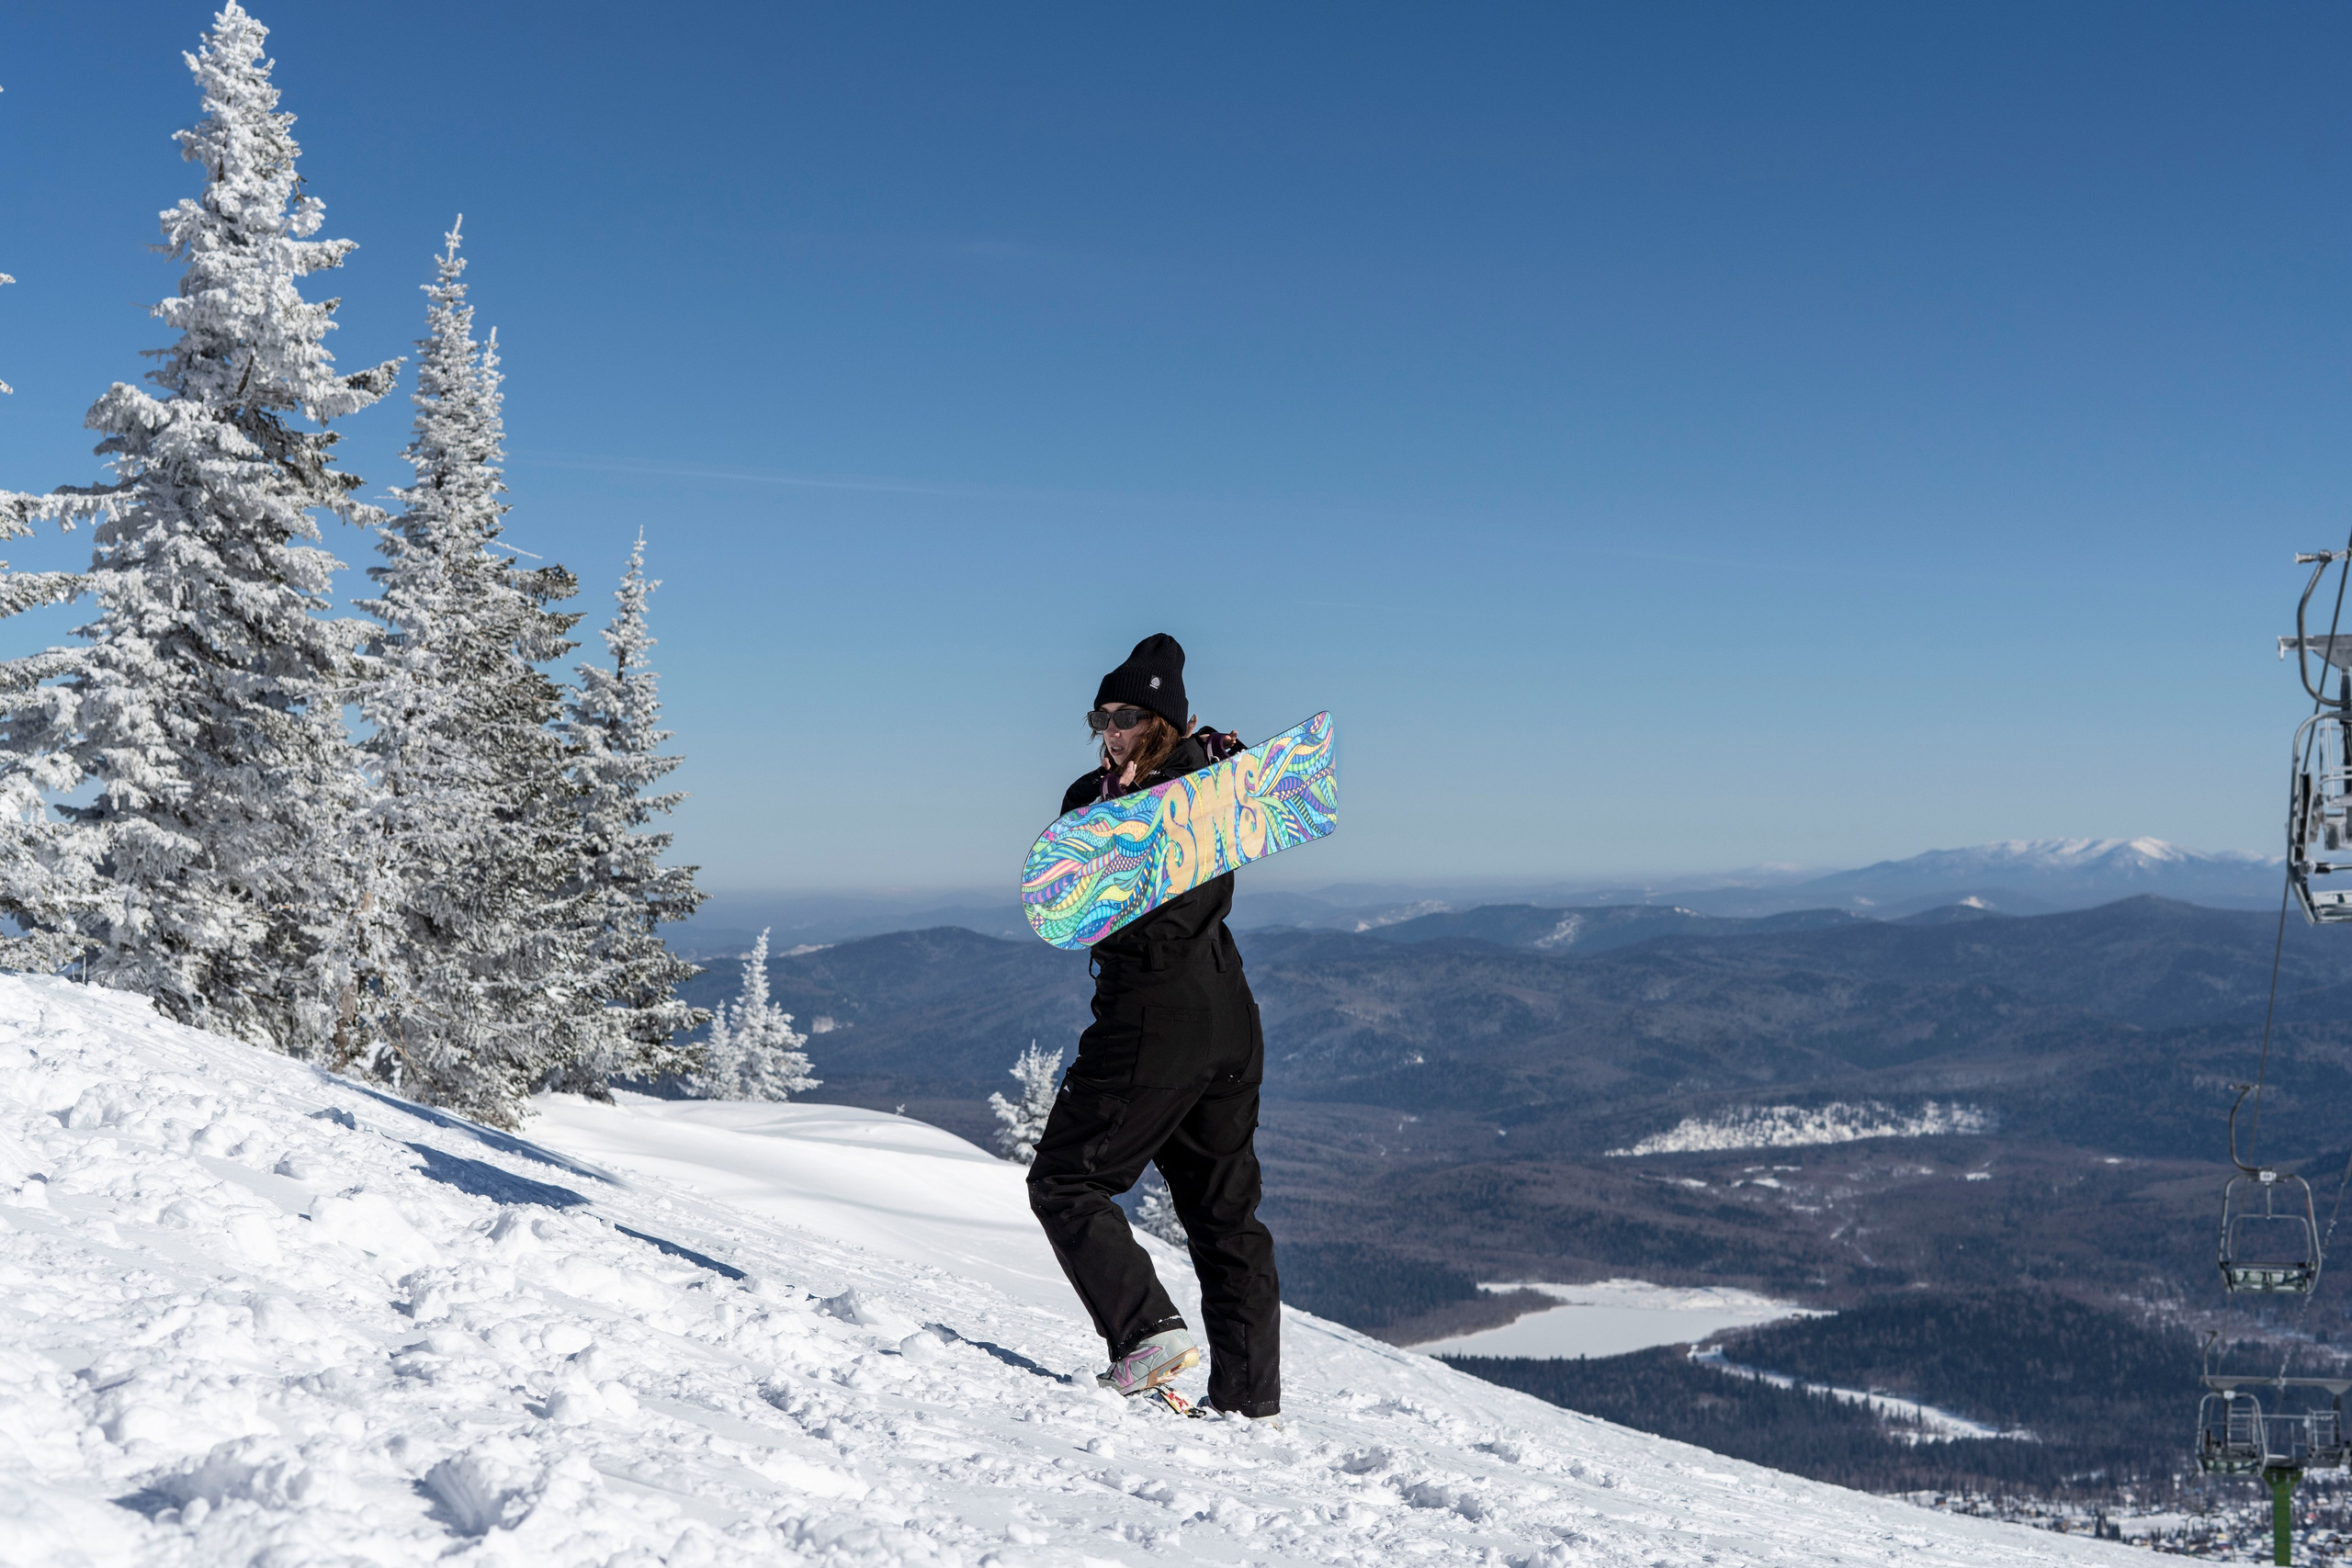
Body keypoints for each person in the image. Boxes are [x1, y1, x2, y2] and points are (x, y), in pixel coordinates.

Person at [1025, 633, 1282, 1425]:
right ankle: (1248, 1397)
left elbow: (1086, 879)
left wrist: (1154, 784)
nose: (1109, 728)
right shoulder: (1201, 788)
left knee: (1066, 1180)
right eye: (1101, 715)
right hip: (1229, 1016)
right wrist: (1193, 763)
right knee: (1223, 1213)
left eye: (1128, 715)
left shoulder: (1166, 793)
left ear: (1161, 722)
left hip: (1155, 1017)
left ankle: (1145, 1331)